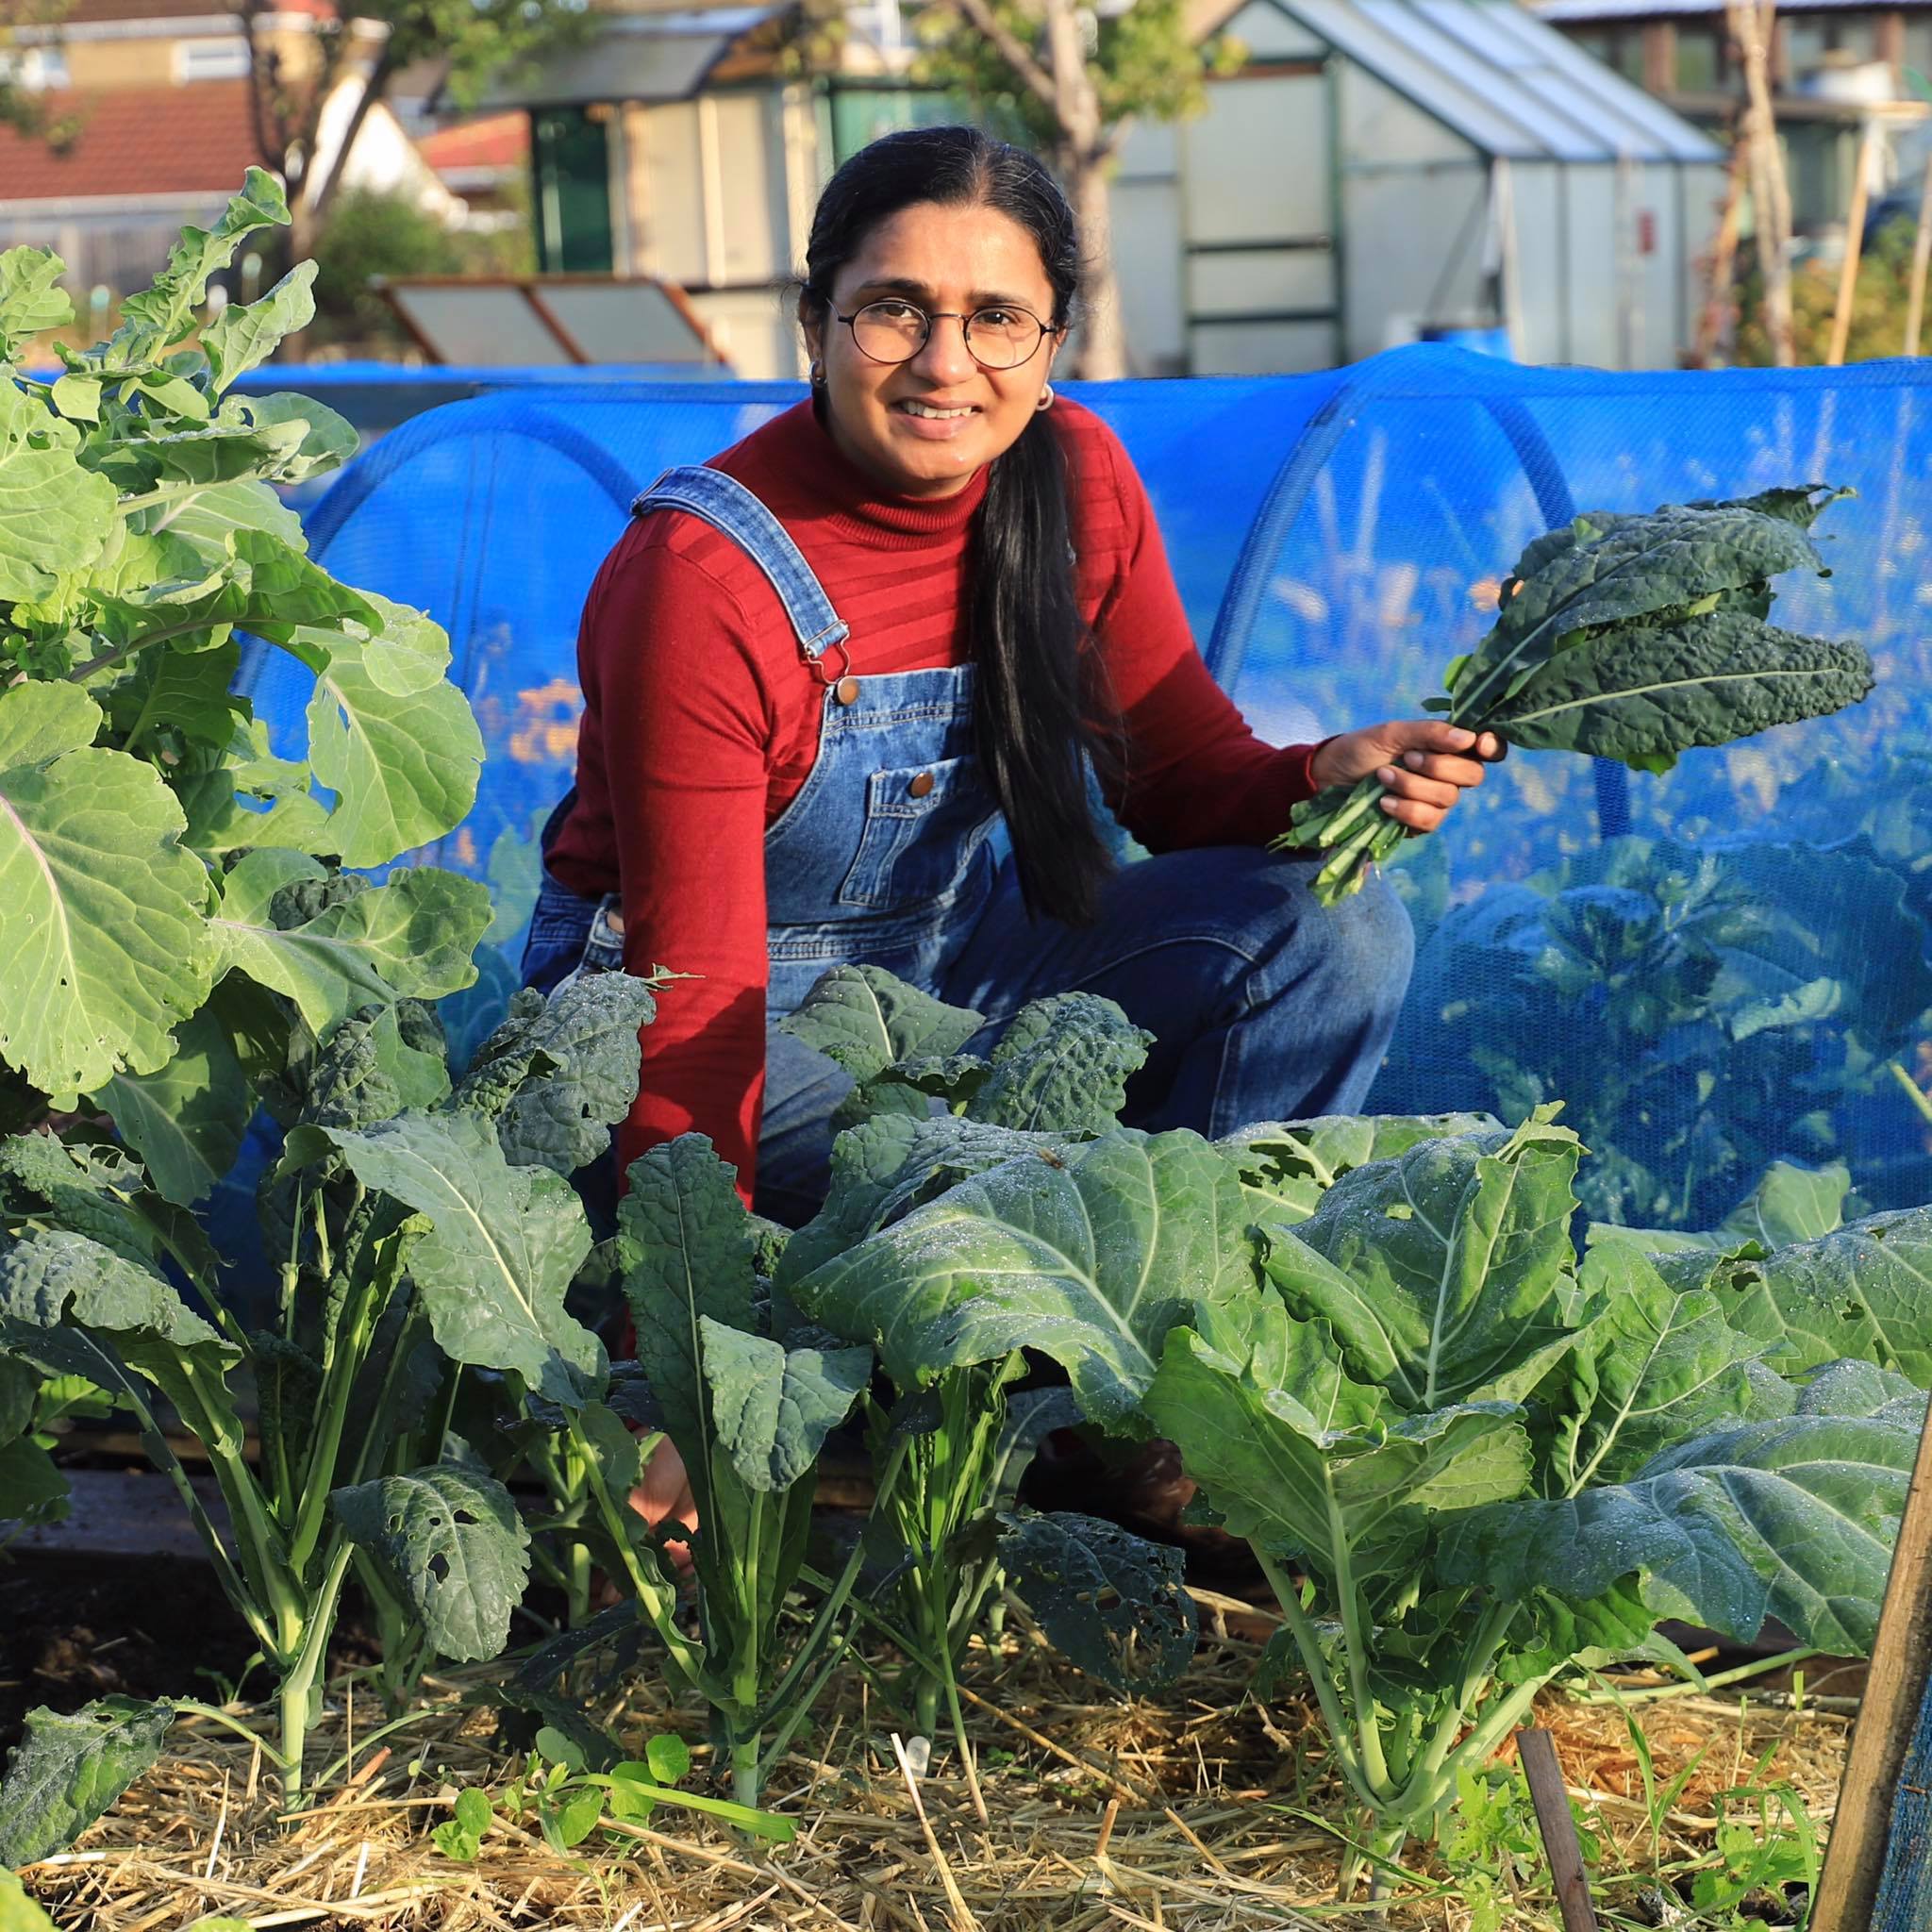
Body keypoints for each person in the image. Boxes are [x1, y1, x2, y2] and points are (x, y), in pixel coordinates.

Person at [525, 124, 1500, 1530]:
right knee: (968, 1175)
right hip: (684, 1024)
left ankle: (1167, 1405)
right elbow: (694, 1001)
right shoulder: (708, 579)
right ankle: (1003, 1366)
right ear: (814, 323)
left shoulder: (1074, 481)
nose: (944, 362)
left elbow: (1179, 787)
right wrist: (678, 1364)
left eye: (997, 318)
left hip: (940, 970)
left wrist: (1320, 777)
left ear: (1053, 346)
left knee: (1330, 930)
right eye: (892, 310)